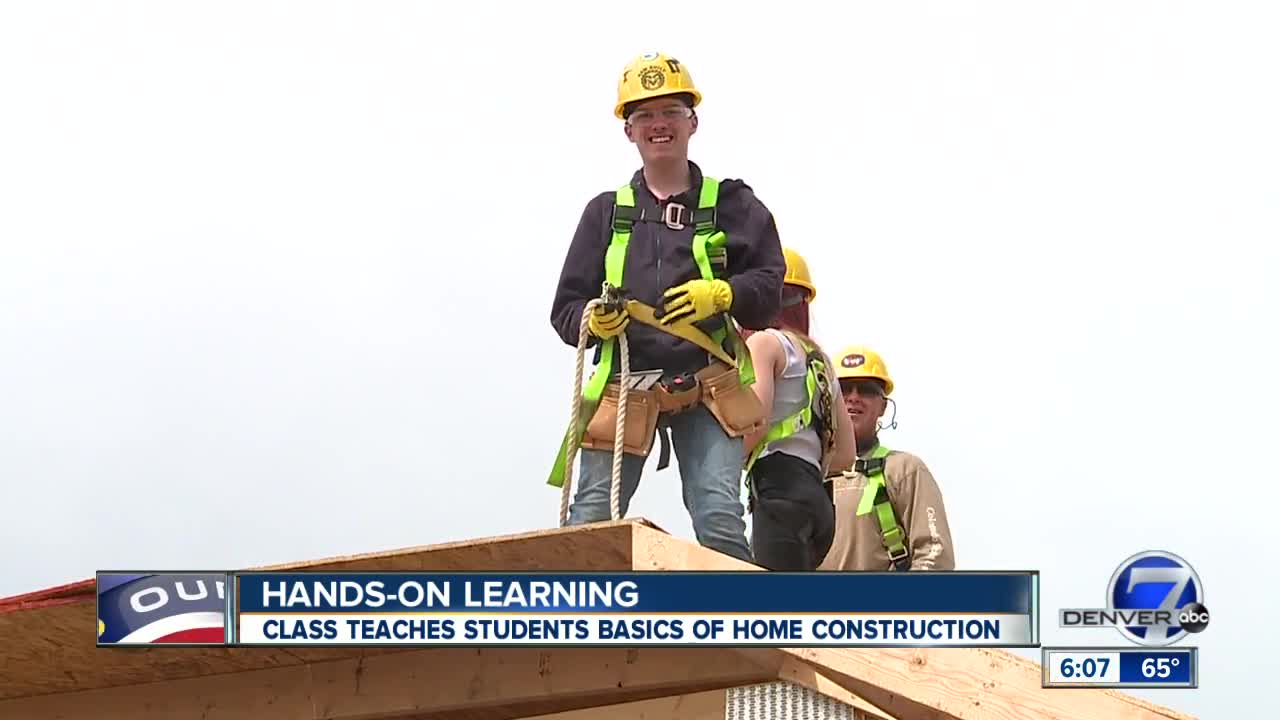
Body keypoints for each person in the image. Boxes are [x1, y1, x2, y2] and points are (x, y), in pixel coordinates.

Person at [546, 52, 787, 563]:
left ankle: (740, 631)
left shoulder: (732, 205)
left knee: (718, 516)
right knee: (590, 517)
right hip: (626, 385)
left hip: (706, 384)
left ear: (692, 122)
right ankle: (570, 630)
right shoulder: (607, 214)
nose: (659, 125)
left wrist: (725, 294)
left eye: (671, 112)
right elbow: (565, 309)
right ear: (628, 130)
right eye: (646, 116)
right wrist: (592, 319)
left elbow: (770, 287)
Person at [740, 248, 857, 571]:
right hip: (819, 505)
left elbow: (756, 421)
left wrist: (718, 467)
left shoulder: (764, 343)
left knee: (775, 611)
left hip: (779, 494)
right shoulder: (820, 361)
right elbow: (846, 455)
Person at [817, 345, 956, 571]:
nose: (853, 397)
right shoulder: (806, 477)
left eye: (866, 389)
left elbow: (935, 556)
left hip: (882, 604)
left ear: (882, 406)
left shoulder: (903, 470)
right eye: (843, 389)